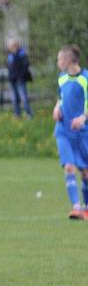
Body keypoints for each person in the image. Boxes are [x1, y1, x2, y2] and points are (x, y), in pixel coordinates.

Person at [51, 45, 88, 220]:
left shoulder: (85, 79)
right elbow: (61, 97)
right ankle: (76, 207)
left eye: (59, 59)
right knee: (69, 166)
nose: (58, 62)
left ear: (68, 60)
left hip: (82, 133)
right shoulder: (61, 78)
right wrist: (56, 108)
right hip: (63, 130)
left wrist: (83, 117)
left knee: (85, 171)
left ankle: (86, 207)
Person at [7, 38, 33, 118]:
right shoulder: (10, 55)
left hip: (20, 80)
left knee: (24, 98)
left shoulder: (22, 54)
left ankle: (29, 114)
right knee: (15, 99)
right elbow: (9, 67)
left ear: (16, 45)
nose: (9, 47)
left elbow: (25, 66)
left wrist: (20, 76)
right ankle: (17, 114)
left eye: (11, 45)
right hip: (12, 80)